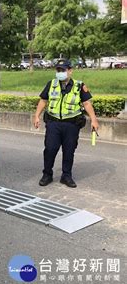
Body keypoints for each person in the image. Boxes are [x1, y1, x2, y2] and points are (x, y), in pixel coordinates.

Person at [33, 59, 99, 188]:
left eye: (63, 70)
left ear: (70, 71)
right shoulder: (51, 84)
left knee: (69, 151)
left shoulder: (79, 86)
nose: (60, 72)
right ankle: (47, 174)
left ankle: (66, 176)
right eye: (58, 70)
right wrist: (36, 116)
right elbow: (43, 100)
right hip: (53, 123)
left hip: (71, 125)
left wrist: (94, 120)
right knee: (50, 149)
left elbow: (86, 103)